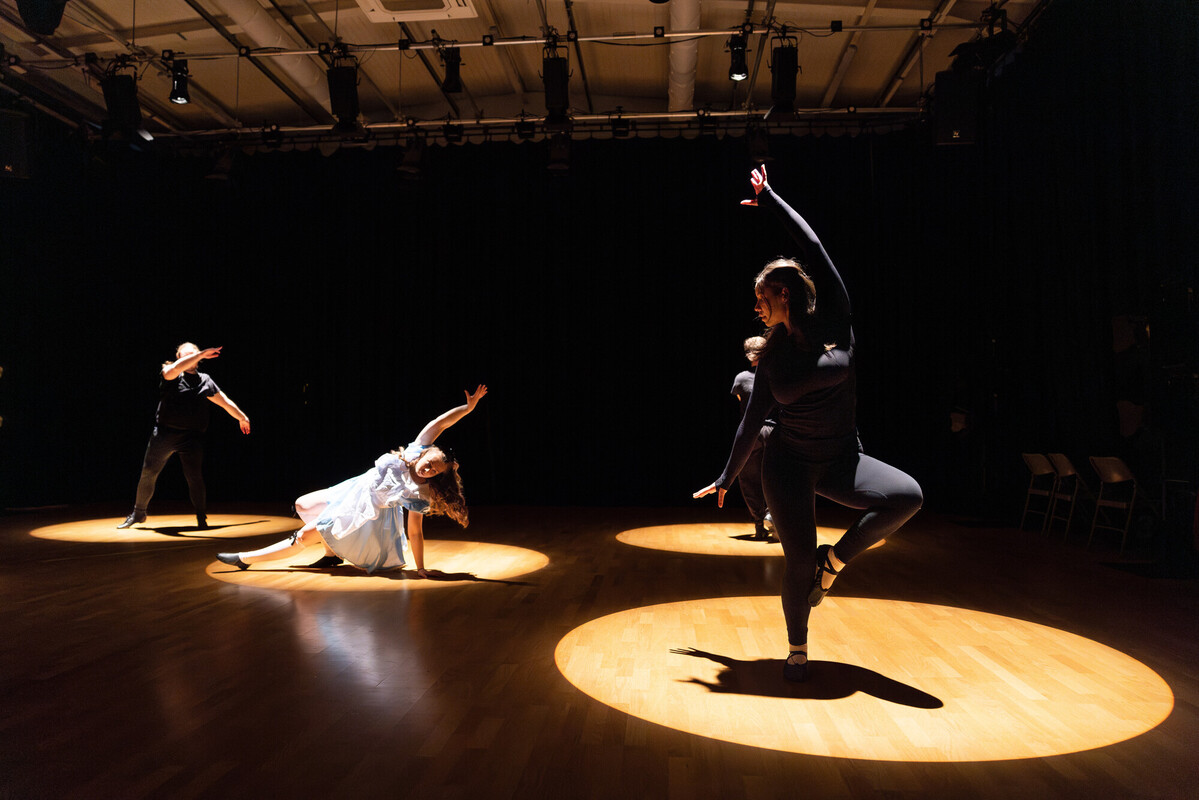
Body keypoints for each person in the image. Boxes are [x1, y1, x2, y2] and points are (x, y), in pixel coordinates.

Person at [694, 166, 923, 682]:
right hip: (790, 467)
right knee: (796, 561)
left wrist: (770, 200)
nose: (757, 305)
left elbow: (814, 245)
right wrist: (726, 478)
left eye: (763, 296)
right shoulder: (772, 357)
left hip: (843, 456)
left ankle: (834, 562)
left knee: (908, 497)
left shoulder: (836, 317)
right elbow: (752, 423)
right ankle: (797, 649)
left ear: (786, 294)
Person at [217, 385, 487, 578]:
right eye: (429, 464)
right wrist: (468, 408)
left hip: (363, 513)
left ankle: (246, 559)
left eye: (434, 471)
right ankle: (332, 554)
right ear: (424, 454)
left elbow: (415, 531)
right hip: (353, 487)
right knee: (302, 505)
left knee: (305, 534)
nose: (428, 470)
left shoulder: (419, 492)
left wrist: (420, 567)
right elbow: (440, 424)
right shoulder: (416, 449)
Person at [118, 343, 251, 529]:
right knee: (148, 473)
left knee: (194, 476)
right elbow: (176, 367)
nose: (190, 356)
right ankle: (138, 513)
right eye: (185, 353)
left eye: (193, 353)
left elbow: (224, 401)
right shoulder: (170, 371)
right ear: (178, 356)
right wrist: (202, 353)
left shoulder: (205, 380)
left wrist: (241, 417)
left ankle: (201, 518)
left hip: (191, 438)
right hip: (164, 434)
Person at [731, 336, 776, 540]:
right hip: (776, 431)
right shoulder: (777, 374)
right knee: (775, 477)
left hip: (751, 433)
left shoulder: (741, 378)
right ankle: (772, 515)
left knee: (748, 478)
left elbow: (742, 401)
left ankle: (759, 524)